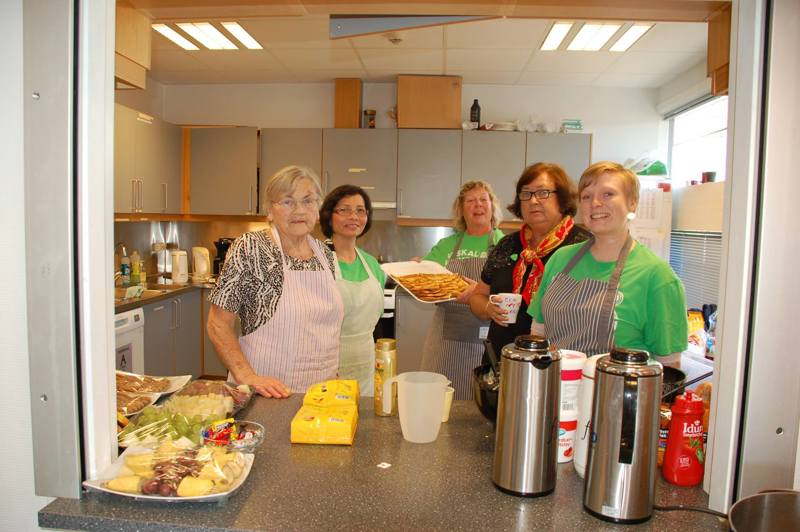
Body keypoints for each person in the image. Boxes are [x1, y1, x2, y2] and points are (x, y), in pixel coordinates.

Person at [528, 161, 688, 367]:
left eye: (608, 194)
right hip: (554, 391)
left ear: (632, 202)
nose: (595, 203)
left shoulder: (657, 276)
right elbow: (538, 332)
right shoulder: (560, 259)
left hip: (616, 396)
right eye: (586, 196)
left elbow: (669, 366)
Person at [207, 166, 343, 398]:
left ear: (318, 210)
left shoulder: (325, 254)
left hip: (320, 394)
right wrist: (247, 377)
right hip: (266, 395)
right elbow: (217, 323)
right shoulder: (251, 248)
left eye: (308, 201)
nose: (299, 210)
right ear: (270, 210)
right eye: (288, 202)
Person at [470, 163, 591, 357]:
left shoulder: (582, 246)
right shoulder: (507, 244)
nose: (533, 201)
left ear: (561, 198)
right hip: (501, 359)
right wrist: (488, 308)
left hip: (557, 363)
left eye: (543, 193)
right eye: (526, 193)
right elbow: (477, 295)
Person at [419, 181, 505, 399]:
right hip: (445, 345)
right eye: (471, 201)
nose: (478, 205)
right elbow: (426, 283)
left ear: (492, 207)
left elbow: (515, 292)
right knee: (439, 402)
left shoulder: (505, 244)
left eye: (483, 199)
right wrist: (418, 270)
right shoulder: (447, 245)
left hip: (487, 344)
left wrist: (478, 292)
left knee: (480, 406)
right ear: (461, 209)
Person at [319, 185, 386, 397]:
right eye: (344, 210)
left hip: (367, 364)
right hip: (327, 366)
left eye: (360, 210)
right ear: (329, 216)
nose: (354, 216)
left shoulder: (372, 264)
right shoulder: (317, 261)